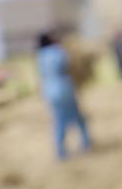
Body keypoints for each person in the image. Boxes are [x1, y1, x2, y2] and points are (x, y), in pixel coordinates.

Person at [36, 32, 92, 160]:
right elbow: (69, 65)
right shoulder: (57, 52)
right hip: (63, 89)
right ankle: (84, 143)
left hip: (49, 91)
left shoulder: (40, 55)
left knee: (59, 119)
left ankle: (62, 149)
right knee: (76, 117)